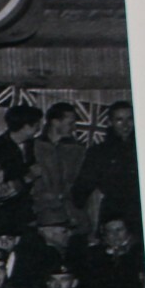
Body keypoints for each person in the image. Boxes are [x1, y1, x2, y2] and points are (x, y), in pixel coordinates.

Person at [72, 100, 140, 240]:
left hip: (142, 210)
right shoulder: (100, 152)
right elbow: (82, 187)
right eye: (119, 120)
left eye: (130, 119)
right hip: (114, 212)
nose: (126, 125)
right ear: (110, 123)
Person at [32, 103, 89, 252]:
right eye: (70, 123)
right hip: (43, 219)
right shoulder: (33, 147)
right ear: (55, 122)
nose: (73, 128)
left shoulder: (78, 150)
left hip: (73, 220)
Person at [0, 104, 43, 237]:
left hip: (25, 215)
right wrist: (28, 177)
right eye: (37, 124)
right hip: (2, 220)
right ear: (27, 126)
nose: (40, 128)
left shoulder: (31, 146)